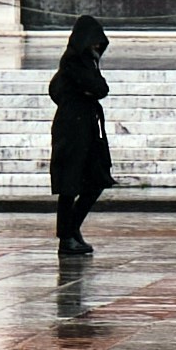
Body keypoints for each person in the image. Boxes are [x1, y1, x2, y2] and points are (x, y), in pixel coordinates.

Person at [48, 14, 113, 256]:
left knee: (96, 180)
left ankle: (71, 229)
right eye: (95, 41)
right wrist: (82, 96)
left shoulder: (87, 62)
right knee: (70, 184)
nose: (98, 46)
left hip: (87, 129)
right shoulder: (74, 61)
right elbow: (97, 87)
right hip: (72, 130)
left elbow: (100, 89)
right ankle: (67, 238)